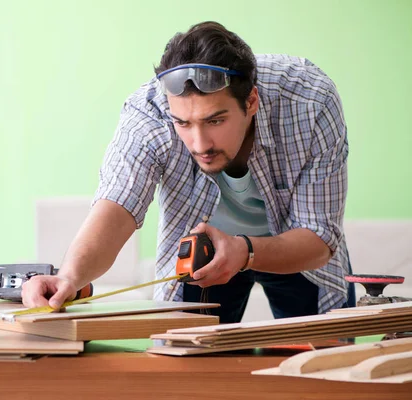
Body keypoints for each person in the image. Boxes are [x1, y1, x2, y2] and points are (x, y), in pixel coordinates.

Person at [22, 21, 355, 323]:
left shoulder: (310, 101)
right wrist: (69, 276)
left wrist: (245, 251)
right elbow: (116, 204)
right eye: (183, 123)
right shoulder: (148, 114)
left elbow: (319, 236)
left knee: (326, 370)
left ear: (251, 102)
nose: (199, 144)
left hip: (296, 250)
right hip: (203, 258)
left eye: (215, 121)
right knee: (188, 369)